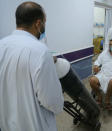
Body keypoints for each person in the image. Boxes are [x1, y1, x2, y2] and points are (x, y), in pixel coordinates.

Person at [0, 2, 64, 131]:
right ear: (38, 23)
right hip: (35, 125)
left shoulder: (2, 45)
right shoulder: (41, 51)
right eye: (45, 22)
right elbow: (52, 102)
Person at [89, 39, 112, 110]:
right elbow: (98, 61)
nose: (111, 46)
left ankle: (107, 99)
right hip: (102, 74)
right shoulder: (104, 53)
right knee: (92, 80)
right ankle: (99, 96)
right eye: (110, 45)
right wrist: (96, 66)